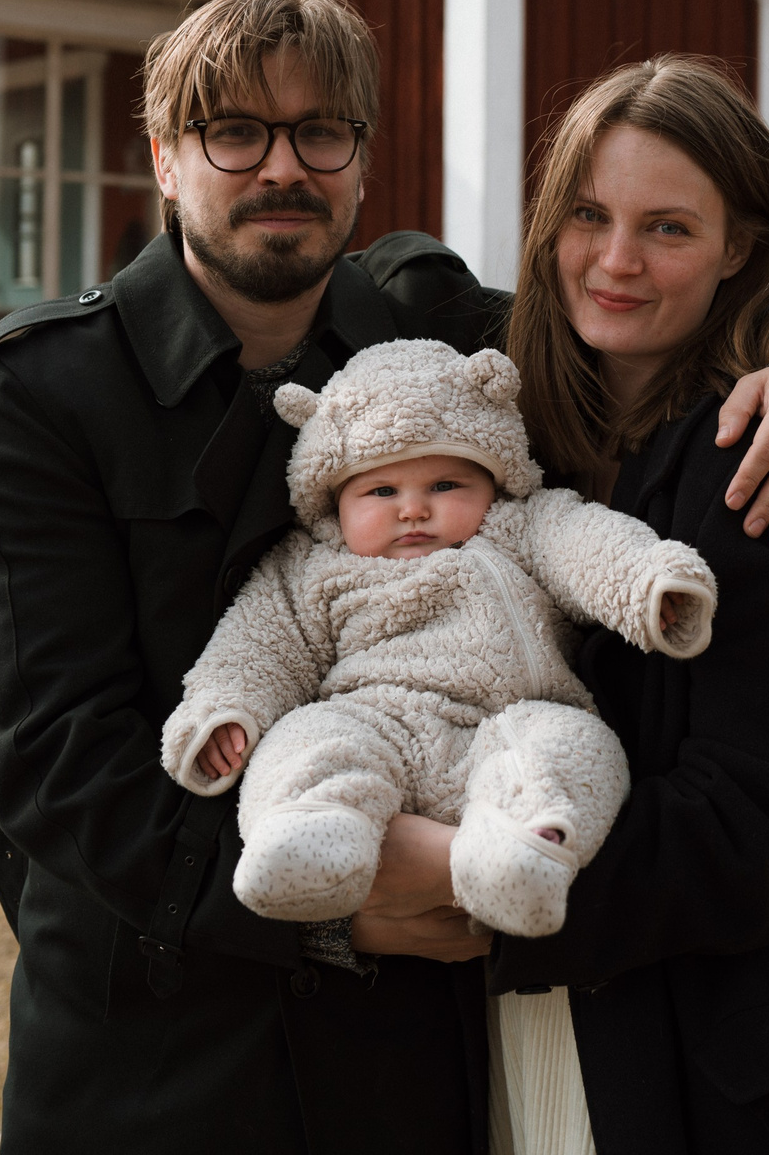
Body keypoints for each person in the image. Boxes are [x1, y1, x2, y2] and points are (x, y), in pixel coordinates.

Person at [0, 0, 769, 1155]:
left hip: (401, 1059)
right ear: (163, 157)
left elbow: (645, 310)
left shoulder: (425, 325)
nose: (281, 168)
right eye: (232, 133)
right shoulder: (50, 390)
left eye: (320, 132)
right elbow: (50, 755)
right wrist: (332, 900)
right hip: (160, 1040)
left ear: (361, 156)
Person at [451, 57, 769, 1155]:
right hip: (531, 1040)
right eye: (587, 216)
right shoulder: (509, 442)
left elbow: (767, 831)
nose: (614, 261)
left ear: (740, 247)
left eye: (667, 228)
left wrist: (484, 882)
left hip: (715, 1091)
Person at [160, 337, 717, 940]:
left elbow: (589, 546)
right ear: (333, 499)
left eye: (446, 485)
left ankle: (523, 848)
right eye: (382, 491)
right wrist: (223, 712)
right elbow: (258, 647)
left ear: (494, 479)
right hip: (374, 722)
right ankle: (311, 830)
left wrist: (647, 583)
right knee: (307, 739)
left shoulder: (521, 525)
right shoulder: (311, 566)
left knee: (577, 746)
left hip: (512, 721)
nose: (414, 510)